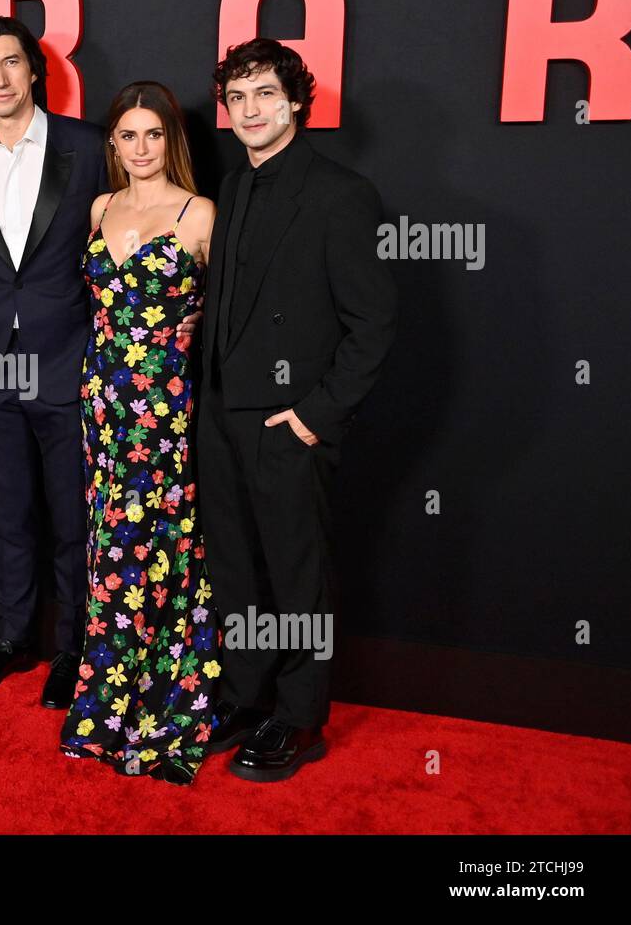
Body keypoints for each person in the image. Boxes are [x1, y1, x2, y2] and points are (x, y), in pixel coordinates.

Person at [0, 16, 191, 707]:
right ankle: (12, 639)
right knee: (5, 513)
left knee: (73, 518)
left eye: (11, 62)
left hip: (70, 365)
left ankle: (71, 650)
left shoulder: (86, 147)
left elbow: (130, 234)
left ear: (33, 70)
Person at [197, 39, 397, 781]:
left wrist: (315, 414)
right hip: (218, 416)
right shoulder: (234, 186)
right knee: (236, 569)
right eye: (238, 97)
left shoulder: (340, 192)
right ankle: (247, 695)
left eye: (264, 95)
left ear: (296, 101)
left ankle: (300, 716)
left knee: (295, 574)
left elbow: (372, 325)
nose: (249, 110)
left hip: (285, 422)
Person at [58, 82, 220, 784]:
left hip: (165, 406)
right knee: (107, 546)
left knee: (163, 542)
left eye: (153, 134)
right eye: (128, 136)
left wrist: (199, 322)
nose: (140, 148)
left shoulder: (199, 212)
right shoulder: (101, 206)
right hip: (101, 404)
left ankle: (164, 703)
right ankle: (107, 700)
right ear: (113, 144)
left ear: (171, 140)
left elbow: (232, 307)